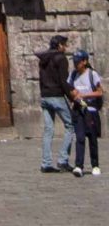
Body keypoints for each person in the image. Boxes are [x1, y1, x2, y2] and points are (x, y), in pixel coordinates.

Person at [38, 34, 75, 172]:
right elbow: (63, 81)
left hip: (45, 96)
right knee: (70, 125)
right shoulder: (61, 59)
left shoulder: (43, 59)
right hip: (56, 96)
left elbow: (41, 79)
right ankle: (63, 160)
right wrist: (72, 98)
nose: (66, 47)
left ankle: (46, 163)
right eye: (65, 45)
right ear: (59, 45)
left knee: (48, 130)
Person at [69, 50, 102, 177]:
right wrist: (74, 95)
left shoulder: (92, 74)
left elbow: (99, 92)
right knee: (80, 138)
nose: (76, 64)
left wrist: (84, 95)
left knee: (92, 138)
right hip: (78, 110)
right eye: (75, 62)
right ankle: (78, 166)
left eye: (78, 62)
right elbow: (70, 89)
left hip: (91, 111)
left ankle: (95, 165)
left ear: (85, 61)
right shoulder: (73, 75)